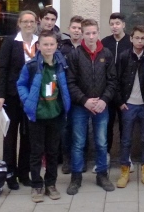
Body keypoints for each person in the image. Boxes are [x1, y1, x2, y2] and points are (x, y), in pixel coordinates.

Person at [17, 30, 71, 203]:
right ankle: (36, 185)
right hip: (37, 116)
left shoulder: (62, 64)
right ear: (38, 46)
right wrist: (28, 101)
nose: (48, 47)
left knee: (53, 152)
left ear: (57, 46)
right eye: (45, 44)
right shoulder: (31, 66)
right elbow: (21, 84)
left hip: (55, 114)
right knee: (36, 152)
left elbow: (65, 85)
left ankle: (51, 184)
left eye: (51, 44)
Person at [65, 18, 117, 195]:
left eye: (94, 33)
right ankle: (76, 177)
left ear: (98, 33)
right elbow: (70, 82)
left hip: (102, 105)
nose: (91, 36)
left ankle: (102, 175)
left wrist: (104, 100)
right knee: (78, 143)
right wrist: (84, 100)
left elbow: (112, 80)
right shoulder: (75, 55)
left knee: (101, 142)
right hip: (80, 106)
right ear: (82, 34)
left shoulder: (106, 54)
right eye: (87, 33)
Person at [0, 10, 39, 190]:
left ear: (36, 24)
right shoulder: (10, 42)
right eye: (25, 21)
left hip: (32, 96)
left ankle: (24, 173)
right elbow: (3, 68)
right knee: (10, 136)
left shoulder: (39, 42)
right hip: (13, 95)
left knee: (28, 136)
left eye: (32, 21)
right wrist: (0, 94)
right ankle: (10, 174)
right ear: (19, 24)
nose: (29, 24)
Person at [115, 26, 144, 189]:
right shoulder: (124, 56)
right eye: (137, 38)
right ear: (131, 39)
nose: (139, 41)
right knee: (126, 140)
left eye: (142, 38)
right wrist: (120, 102)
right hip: (128, 104)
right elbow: (116, 80)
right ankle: (124, 171)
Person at [101, 13, 132, 170]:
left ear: (123, 25)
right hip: (107, 91)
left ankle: (126, 157)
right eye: (112, 23)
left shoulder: (130, 42)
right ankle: (105, 156)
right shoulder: (105, 42)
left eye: (117, 23)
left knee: (125, 127)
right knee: (107, 126)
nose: (114, 26)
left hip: (125, 92)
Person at [58, 15, 84, 175]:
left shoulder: (86, 48)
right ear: (69, 29)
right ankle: (67, 159)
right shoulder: (62, 48)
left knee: (81, 129)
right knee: (66, 129)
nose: (77, 31)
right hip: (65, 94)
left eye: (80, 28)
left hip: (82, 94)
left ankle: (81, 159)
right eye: (74, 28)